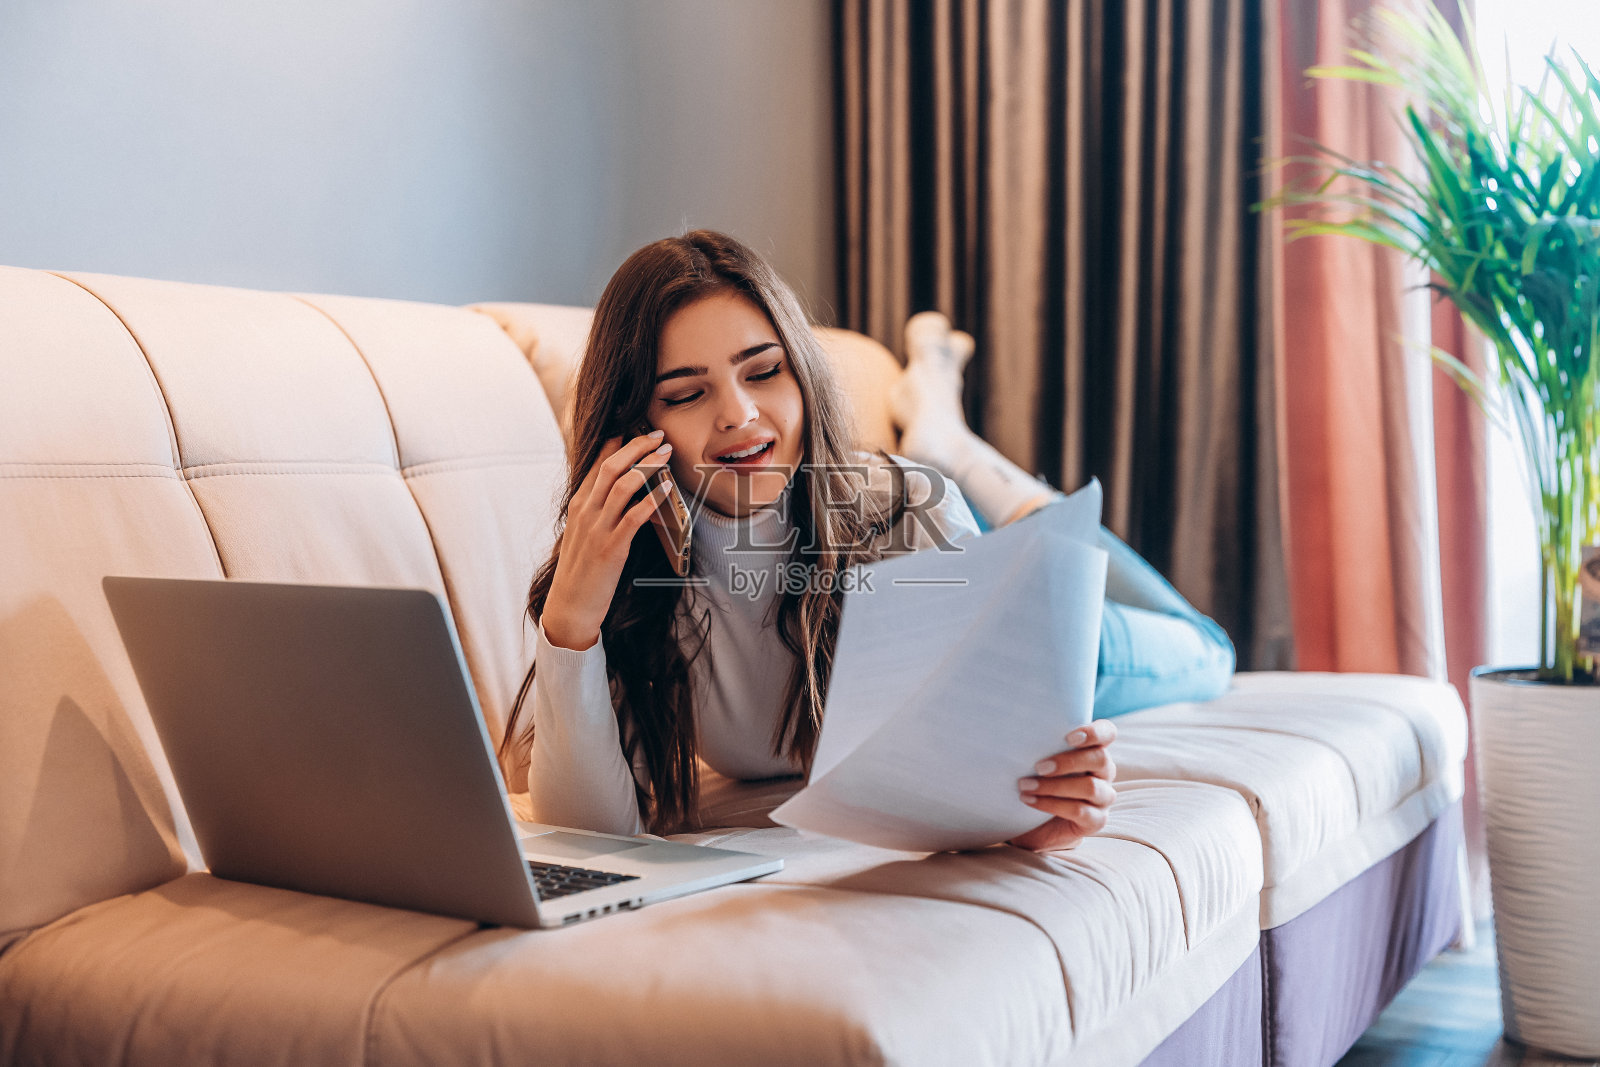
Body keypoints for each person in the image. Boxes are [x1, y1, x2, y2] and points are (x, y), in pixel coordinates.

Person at [500, 230, 1231, 850]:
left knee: (1210, 648)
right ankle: (951, 443)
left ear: (803, 375)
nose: (740, 414)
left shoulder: (909, 510)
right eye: (687, 393)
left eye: (764, 371)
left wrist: (1025, 810)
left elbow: (977, 758)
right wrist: (571, 621)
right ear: (635, 424)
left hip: (1047, 635)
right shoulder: (631, 575)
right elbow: (584, 835)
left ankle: (967, 460)